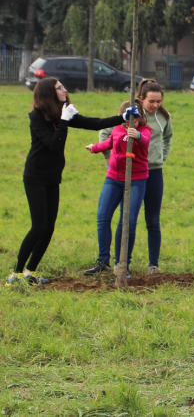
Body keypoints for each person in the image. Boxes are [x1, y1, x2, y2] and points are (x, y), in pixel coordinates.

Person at [8, 78, 132, 286]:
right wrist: (64, 120)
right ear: (48, 93)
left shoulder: (61, 113)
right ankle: (15, 275)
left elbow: (94, 124)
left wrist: (122, 117)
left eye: (63, 86)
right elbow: (53, 143)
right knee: (38, 226)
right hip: (35, 176)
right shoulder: (37, 117)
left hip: (52, 176)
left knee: (49, 228)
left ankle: (29, 273)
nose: (64, 89)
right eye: (59, 88)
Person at [99, 79, 173, 275]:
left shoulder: (164, 116)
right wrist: (110, 158)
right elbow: (106, 132)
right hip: (132, 173)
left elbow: (167, 137)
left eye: (159, 101)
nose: (156, 105)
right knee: (127, 220)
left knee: (153, 220)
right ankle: (122, 263)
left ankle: (153, 264)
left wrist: (161, 157)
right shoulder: (130, 114)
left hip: (154, 171)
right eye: (151, 101)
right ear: (141, 99)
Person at [84, 102, 152, 275]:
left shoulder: (145, 131)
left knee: (128, 222)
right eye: (126, 120)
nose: (129, 123)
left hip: (136, 180)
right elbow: (108, 143)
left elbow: (145, 142)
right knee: (103, 216)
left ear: (141, 117)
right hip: (113, 178)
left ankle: (122, 264)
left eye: (134, 119)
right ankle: (103, 261)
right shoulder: (117, 129)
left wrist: (136, 136)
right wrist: (94, 148)